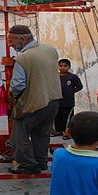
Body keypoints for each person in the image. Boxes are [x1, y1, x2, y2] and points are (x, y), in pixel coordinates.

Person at [7, 24, 62, 174]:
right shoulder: (50, 50)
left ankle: (27, 164)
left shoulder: (23, 58)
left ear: (23, 39)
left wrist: (14, 97)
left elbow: (18, 85)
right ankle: (41, 162)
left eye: (11, 41)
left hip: (34, 102)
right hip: (53, 99)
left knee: (19, 134)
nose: (9, 45)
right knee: (42, 133)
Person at [50, 58, 83, 140]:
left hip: (68, 102)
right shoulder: (54, 76)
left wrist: (71, 92)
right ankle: (58, 131)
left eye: (65, 66)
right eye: (61, 66)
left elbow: (79, 87)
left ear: (69, 67)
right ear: (58, 67)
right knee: (57, 117)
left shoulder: (73, 77)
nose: (63, 68)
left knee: (68, 118)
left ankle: (67, 132)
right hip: (57, 101)